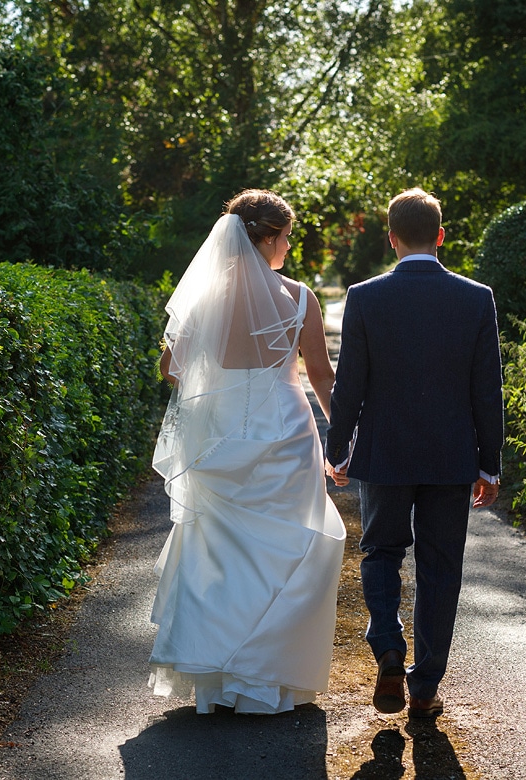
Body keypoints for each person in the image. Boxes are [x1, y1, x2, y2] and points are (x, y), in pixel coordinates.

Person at [148, 189, 346, 714]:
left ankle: (216, 676)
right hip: (285, 432)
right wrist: (346, 440)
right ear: (272, 237)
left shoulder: (204, 298)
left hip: (220, 433)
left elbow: (171, 369)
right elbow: (322, 377)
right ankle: (271, 676)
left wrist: (216, 379)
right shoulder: (300, 298)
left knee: (217, 554)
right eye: (286, 238)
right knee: (288, 548)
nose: (287, 248)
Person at [324, 188, 503, 719]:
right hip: (451, 458)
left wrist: (338, 450)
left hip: (385, 455)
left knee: (381, 553)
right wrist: (488, 462)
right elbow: (487, 389)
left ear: (392, 239)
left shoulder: (365, 296)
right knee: (440, 566)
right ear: (441, 236)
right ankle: (424, 687)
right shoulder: (476, 297)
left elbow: (349, 386)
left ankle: (387, 649)